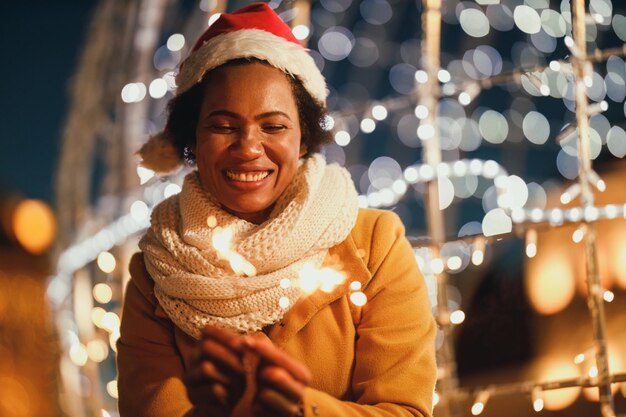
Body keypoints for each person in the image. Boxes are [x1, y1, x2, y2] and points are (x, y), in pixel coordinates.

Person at [116, 3, 436, 417]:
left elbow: (404, 411)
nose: (248, 148)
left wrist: (295, 407)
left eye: (274, 126)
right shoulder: (155, 271)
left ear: (303, 139)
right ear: (192, 139)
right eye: (223, 125)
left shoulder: (374, 245)